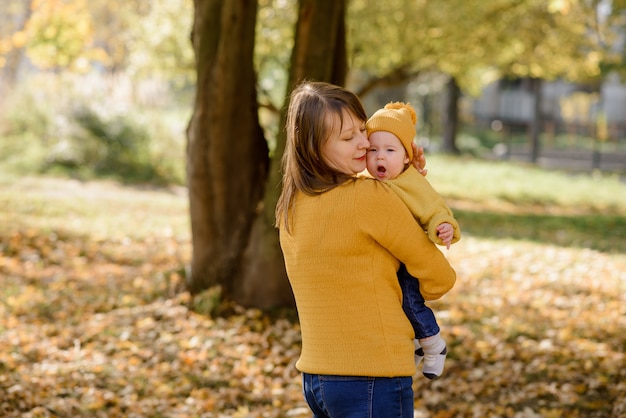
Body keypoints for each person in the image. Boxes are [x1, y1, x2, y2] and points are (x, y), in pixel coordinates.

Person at [275, 81, 456, 417]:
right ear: (313, 146)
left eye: (362, 129)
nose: (364, 142)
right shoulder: (368, 198)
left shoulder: (290, 205)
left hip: (317, 378)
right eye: (348, 138)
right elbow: (439, 277)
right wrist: (408, 186)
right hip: (373, 376)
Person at [366, 102, 461, 380]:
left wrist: (443, 225)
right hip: (386, 259)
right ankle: (417, 345)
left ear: (407, 157)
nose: (380, 157)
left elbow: (433, 206)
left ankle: (433, 343)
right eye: (373, 150)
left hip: (408, 259)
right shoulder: (367, 181)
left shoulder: (411, 181)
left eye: (390, 150)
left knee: (410, 301)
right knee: (392, 305)